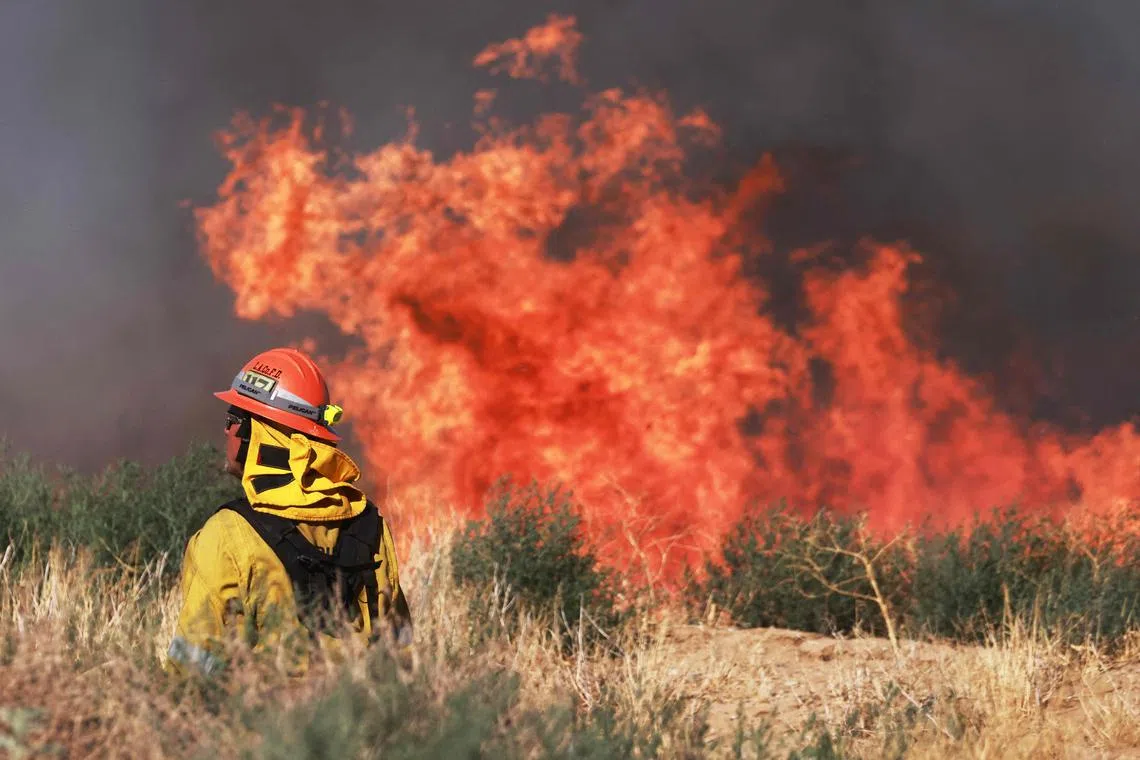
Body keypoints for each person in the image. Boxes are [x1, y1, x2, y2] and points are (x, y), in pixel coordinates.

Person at [166, 347, 412, 677]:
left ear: (259, 433)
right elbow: (401, 652)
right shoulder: (370, 525)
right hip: (362, 717)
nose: (227, 430)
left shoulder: (228, 534)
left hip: (263, 723)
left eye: (233, 419)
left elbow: (192, 670)